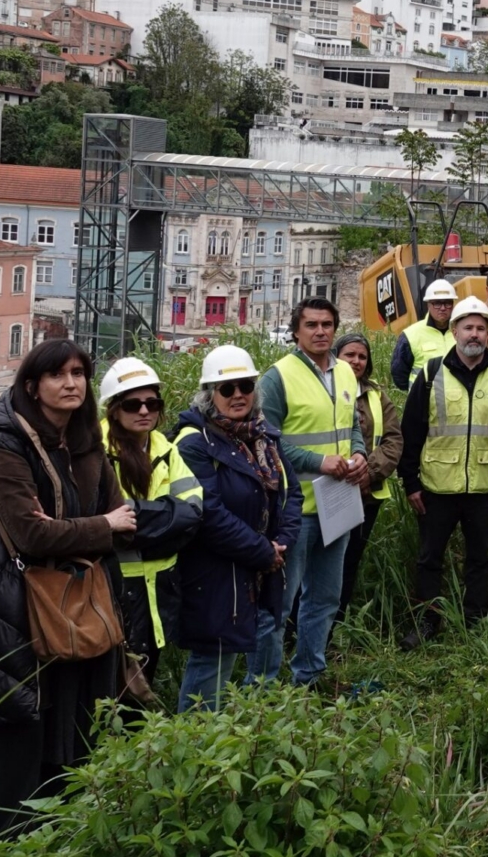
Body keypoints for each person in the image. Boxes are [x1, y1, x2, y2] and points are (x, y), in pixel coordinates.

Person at [0, 339, 135, 846]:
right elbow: (31, 534)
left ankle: (51, 839)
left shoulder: (85, 443)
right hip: (11, 611)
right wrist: (102, 525)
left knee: (70, 737)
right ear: (33, 385)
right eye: (58, 374)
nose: (71, 382)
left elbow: (125, 520)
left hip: (78, 610)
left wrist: (120, 522)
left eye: (79, 373)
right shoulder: (5, 449)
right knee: (9, 740)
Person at [397, 295, 488, 649]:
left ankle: (476, 623)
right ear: (454, 330)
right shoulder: (430, 374)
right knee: (429, 559)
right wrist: (410, 482)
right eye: (467, 327)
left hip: (486, 488)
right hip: (436, 488)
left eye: (480, 328)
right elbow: (411, 433)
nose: (474, 334)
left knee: (479, 559)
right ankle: (427, 622)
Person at [172, 345, 301, 711]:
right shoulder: (195, 443)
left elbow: (291, 494)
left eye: (245, 385)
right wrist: (263, 552)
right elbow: (209, 514)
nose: (238, 395)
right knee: (214, 656)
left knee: (259, 636)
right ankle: (193, 743)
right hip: (215, 570)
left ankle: (246, 726)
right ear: (209, 394)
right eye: (226, 389)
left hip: (261, 564)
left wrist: (282, 542)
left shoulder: (264, 436)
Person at [254, 297, 365, 689]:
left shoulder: (346, 373)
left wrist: (358, 452)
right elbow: (265, 441)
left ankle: (309, 676)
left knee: (325, 599)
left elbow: (351, 426)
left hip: (337, 503)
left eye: (327, 325)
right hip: (293, 509)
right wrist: (319, 462)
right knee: (279, 604)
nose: (320, 332)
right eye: (312, 325)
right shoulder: (277, 377)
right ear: (296, 331)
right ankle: (262, 687)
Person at [98, 356, 203, 697]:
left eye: (152, 403)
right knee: (112, 684)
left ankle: (138, 746)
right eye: (133, 404)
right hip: (114, 586)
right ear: (114, 409)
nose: (144, 411)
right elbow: (106, 521)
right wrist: (165, 523)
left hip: (159, 586)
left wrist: (137, 524)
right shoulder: (96, 453)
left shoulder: (164, 448)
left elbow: (195, 510)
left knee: (145, 674)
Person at [334, 332, 403, 621]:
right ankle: (294, 632)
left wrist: (368, 473)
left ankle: (333, 627)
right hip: (326, 493)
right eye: (350, 355)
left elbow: (393, 439)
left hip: (365, 495)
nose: (356, 361)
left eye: (362, 356)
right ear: (336, 357)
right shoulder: (323, 389)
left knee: (348, 563)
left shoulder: (376, 395)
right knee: (316, 565)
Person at [391, 278, 457, 392]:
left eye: (447, 303)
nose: (442, 308)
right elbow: (399, 374)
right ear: (428, 305)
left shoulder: (462, 332)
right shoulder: (411, 335)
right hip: (422, 403)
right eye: (437, 303)